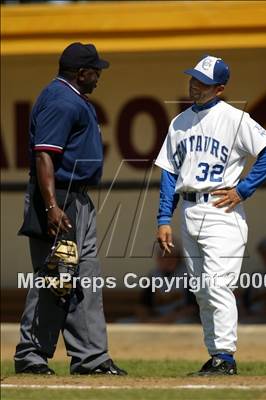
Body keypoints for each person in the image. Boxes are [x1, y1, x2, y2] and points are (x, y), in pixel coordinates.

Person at [155, 55, 266, 376]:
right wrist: (163, 219)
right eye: (193, 78)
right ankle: (216, 355)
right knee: (200, 289)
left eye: (203, 82)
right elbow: (169, 175)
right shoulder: (179, 122)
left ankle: (225, 356)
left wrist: (244, 188)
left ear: (220, 88)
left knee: (217, 286)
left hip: (221, 209)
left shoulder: (234, 118)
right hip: (188, 208)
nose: (194, 85)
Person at [15, 42, 127, 376]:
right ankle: (31, 355)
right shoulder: (61, 100)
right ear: (81, 73)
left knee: (85, 279)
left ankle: (90, 358)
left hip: (76, 199)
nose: (98, 77)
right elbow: (44, 155)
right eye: (95, 71)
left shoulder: (73, 99)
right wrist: (51, 206)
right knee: (55, 278)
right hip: (59, 199)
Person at [135, 247, 198, 324]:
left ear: (178, 258)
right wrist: (144, 319)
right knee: (124, 323)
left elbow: (192, 308)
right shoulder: (153, 275)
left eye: (171, 256)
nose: (166, 260)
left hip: (179, 318)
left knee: (182, 323)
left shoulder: (189, 275)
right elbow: (143, 305)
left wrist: (163, 320)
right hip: (156, 318)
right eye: (162, 256)